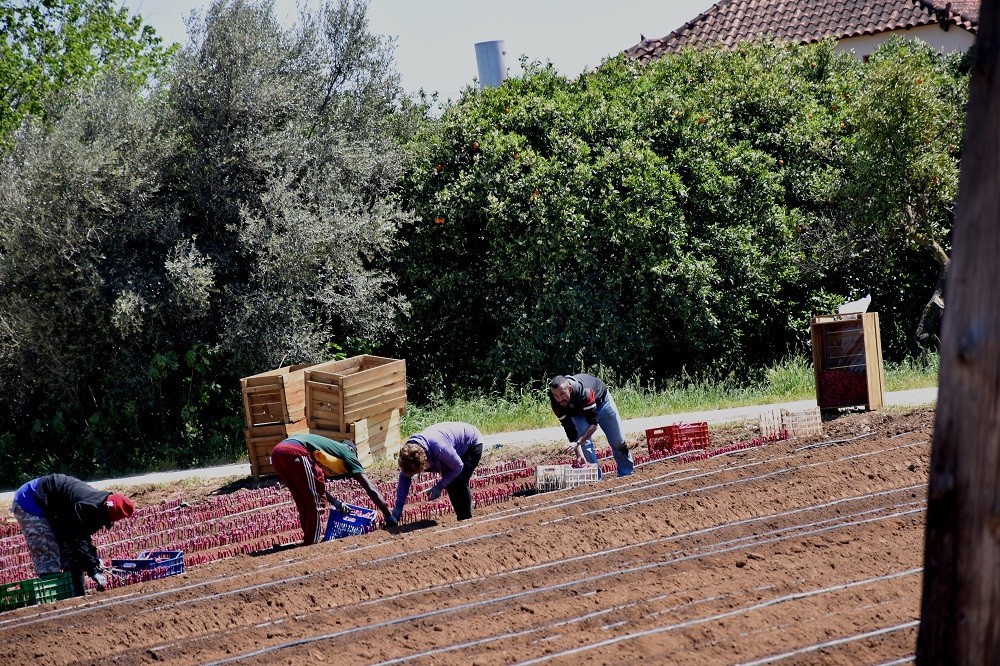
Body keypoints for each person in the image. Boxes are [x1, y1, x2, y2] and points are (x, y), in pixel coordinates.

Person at [11, 474, 135, 595]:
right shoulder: (84, 506)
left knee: (73, 556)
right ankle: (52, 602)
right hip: (30, 500)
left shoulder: (97, 504)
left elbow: (82, 537)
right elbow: (78, 538)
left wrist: (93, 559)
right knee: (47, 552)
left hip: (54, 508)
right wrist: (92, 570)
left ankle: (77, 596)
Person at [270, 433, 396, 545]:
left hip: (277, 454)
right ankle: (311, 543)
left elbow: (315, 486)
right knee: (315, 502)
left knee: (303, 498)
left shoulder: (324, 451)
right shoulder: (348, 454)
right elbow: (370, 487)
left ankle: (308, 539)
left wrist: (336, 502)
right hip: (295, 451)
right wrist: (388, 515)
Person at [391, 422, 484, 522]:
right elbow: (405, 476)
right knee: (450, 480)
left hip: (471, 444)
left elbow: (458, 466)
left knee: (458, 481)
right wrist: (399, 506)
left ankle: (465, 519)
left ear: (424, 462)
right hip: (446, 449)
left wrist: (439, 487)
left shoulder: (440, 449)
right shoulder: (408, 453)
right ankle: (462, 517)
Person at [549, 373, 634, 477]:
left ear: (570, 389)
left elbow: (593, 424)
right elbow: (569, 428)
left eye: (562, 394)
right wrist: (579, 454)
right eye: (555, 395)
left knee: (618, 441)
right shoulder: (556, 403)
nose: (559, 399)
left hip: (602, 404)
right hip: (577, 413)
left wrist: (577, 442)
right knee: (585, 446)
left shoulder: (585, 392)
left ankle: (626, 474)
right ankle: (595, 479)